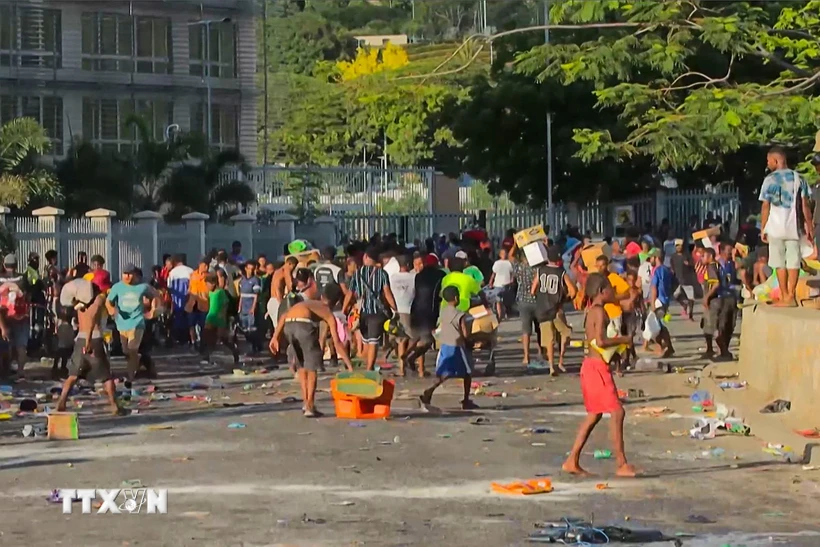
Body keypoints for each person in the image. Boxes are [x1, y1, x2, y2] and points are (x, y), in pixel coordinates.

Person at [563, 273, 636, 478]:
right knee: (617, 412)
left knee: (594, 414)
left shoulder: (592, 311)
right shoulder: (600, 312)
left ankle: (572, 460)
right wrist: (624, 339)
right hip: (597, 368)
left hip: (590, 366)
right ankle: (621, 463)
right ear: (602, 291)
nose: (614, 292)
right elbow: (601, 341)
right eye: (611, 289)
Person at [270, 285, 353, 417]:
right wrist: (350, 366)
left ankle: (306, 403)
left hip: (289, 325)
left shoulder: (309, 303)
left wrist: (275, 337)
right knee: (312, 367)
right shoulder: (328, 313)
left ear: (322, 297)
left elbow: (285, 314)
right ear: (337, 302)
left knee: (302, 366)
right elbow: (337, 342)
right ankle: (310, 406)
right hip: (303, 325)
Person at [56, 277, 122, 415]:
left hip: (80, 338)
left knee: (73, 375)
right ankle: (115, 405)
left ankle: (62, 401)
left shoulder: (81, 302)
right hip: (93, 338)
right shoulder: (99, 299)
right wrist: (89, 340)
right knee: (106, 376)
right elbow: (93, 318)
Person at [759, 146, 814, 306]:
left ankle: (784, 296)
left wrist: (763, 227)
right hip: (793, 227)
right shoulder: (798, 178)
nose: (768, 164)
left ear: (776, 160)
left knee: (779, 262)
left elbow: (765, 206)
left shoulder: (769, 180)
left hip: (775, 227)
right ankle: (791, 295)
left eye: (769, 161)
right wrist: (809, 226)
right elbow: (805, 206)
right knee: (793, 261)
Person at [418, 286, 479, 412]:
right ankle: (466, 400)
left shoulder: (443, 312)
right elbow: (465, 333)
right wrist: (472, 340)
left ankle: (429, 391)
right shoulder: (460, 315)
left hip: (446, 346)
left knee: (444, 374)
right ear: (456, 298)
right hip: (458, 347)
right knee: (467, 374)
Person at [344, 248, 397, 371]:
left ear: (366, 257)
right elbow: (387, 293)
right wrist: (395, 308)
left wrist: (344, 309)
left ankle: (369, 365)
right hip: (377, 312)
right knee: (373, 342)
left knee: (367, 340)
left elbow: (349, 294)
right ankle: (369, 368)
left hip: (362, 312)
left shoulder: (357, 274)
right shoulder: (382, 274)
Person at [105, 263, 159, 381]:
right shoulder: (117, 287)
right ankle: (139, 363)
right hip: (122, 323)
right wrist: (112, 310)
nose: (127, 277)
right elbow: (108, 301)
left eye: (130, 274)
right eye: (125, 274)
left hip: (137, 322)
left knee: (132, 348)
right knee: (126, 351)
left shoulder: (143, 286)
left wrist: (153, 310)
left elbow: (156, 295)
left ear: (134, 275)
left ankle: (130, 376)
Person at [532, 246, 576, 376]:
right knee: (565, 333)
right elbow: (573, 290)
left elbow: (533, 290)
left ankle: (551, 366)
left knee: (549, 339)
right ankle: (561, 360)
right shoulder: (561, 272)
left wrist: (540, 298)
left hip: (542, 310)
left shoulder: (540, 271)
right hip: (557, 309)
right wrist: (566, 299)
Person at [403, 254, 446, 377]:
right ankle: (411, 357)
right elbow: (440, 293)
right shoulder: (440, 275)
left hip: (415, 309)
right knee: (428, 341)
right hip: (429, 311)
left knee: (416, 337)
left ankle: (408, 355)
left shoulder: (418, 276)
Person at [704, 244, 738, 360]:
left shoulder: (728, 265)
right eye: (728, 250)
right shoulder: (719, 264)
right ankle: (722, 351)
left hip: (726, 297)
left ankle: (724, 351)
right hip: (722, 297)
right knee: (720, 326)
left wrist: (706, 298)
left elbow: (717, 283)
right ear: (721, 251)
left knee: (725, 326)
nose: (730, 253)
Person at [0, 254, 31, 377]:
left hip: (4, 316)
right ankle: (21, 371)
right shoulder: (22, 278)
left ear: (4, 265)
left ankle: (5, 369)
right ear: (16, 265)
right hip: (21, 316)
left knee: (5, 344)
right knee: (21, 345)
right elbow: (28, 296)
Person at [201, 273, 240, 366]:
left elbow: (225, 305)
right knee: (207, 336)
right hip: (211, 316)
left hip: (219, 318)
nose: (207, 286)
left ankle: (234, 351)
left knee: (223, 338)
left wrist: (222, 316)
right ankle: (206, 356)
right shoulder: (211, 292)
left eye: (208, 284)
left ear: (213, 283)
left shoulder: (221, 292)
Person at [388, 255, 416, 376]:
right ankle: (409, 359)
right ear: (409, 265)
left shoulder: (393, 278)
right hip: (410, 309)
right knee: (413, 338)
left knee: (400, 340)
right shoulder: (414, 277)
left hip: (397, 310)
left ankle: (401, 368)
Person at [512, 251, 541, 364]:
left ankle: (526, 356)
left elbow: (511, 257)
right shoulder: (536, 269)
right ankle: (540, 352)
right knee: (539, 329)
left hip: (523, 301)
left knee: (526, 331)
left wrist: (515, 243)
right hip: (537, 301)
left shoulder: (518, 268)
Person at [594, 255, 631, 338]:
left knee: (616, 340)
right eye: (598, 266)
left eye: (602, 265)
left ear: (607, 265)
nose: (600, 268)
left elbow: (627, 293)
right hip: (599, 314)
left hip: (614, 314)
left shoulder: (614, 277)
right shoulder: (595, 279)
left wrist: (613, 298)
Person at [648, 250, 675, 357]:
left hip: (658, 300)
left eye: (651, 258)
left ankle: (665, 347)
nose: (650, 260)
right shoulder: (667, 270)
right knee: (659, 325)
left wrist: (652, 304)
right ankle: (667, 347)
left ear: (656, 257)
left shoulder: (657, 271)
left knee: (655, 326)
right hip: (666, 300)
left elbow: (654, 287)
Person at [669, 239, 698, 320]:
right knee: (675, 296)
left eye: (680, 246)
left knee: (691, 298)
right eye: (677, 246)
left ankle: (690, 315)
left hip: (687, 280)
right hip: (677, 280)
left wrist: (689, 264)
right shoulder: (673, 257)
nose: (679, 247)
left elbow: (693, 265)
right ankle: (684, 305)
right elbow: (672, 267)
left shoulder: (687, 256)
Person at [238, 261, 262, 354]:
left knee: (252, 328)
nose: (250, 271)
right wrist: (239, 306)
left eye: (252, 269)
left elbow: (256, 295)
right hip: (243, 307)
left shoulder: (256, 280)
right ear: (246, 268)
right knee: (244, 328)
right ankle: (249, 345)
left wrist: (253, 307)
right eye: (249, 268)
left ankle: (256, 346)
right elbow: (241, 295)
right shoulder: (242, 280)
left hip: (251, 307)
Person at [268, 256, 297, 330]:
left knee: (277, 327)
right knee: (279, 328)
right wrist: (281, 303)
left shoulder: (277, 272)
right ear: (289, 264)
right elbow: (289, 286)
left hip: (272, 301)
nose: (293, 269)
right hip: (277, 300)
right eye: (293, 267)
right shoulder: (285, 270)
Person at [186, 259, 210, 349]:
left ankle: (203, 341)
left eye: (207, 266)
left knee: (203, 324)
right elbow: (190, 288)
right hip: (192, 303)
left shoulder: (209, 276)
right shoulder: (193, 275)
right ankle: (193, 341)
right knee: (191, 323)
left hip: (203, 302)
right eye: (204, 265)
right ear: (199, 265)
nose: (206, 267)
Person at [489, 248, 514, 320]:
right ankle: (500, 315)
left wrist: (512, 280)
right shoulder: (496, 263)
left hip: (506, 284)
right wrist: (491, 282)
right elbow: (494, 273)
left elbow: (512, 273)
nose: (504, 255)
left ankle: (503, 313)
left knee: (504, 300)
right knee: (498, 300)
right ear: (500, 255)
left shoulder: (509, 263)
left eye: (505, 253)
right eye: (502, 253)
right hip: (497, 284)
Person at [52, 307, 75, 380]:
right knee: (64, 358)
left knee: (58, 356)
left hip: (60, 345)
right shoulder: (70, 327)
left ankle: (55, 367)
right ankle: (62, 368)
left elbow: (58, 335)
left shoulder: (61, 326)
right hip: (66, 346)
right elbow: (72, 337)